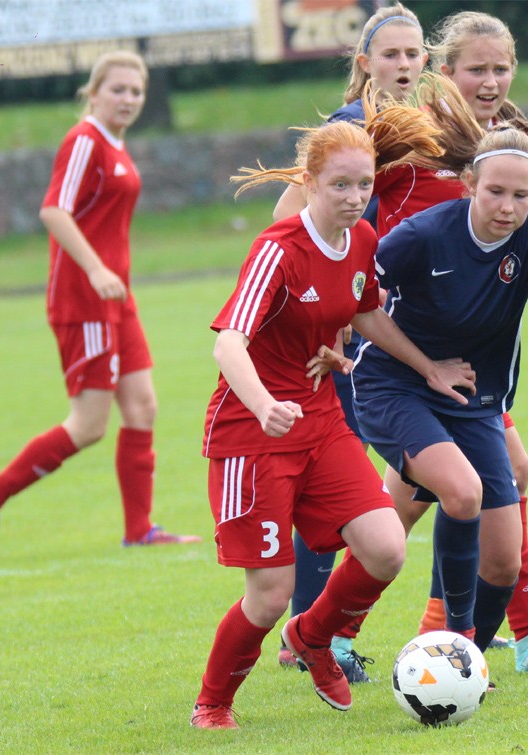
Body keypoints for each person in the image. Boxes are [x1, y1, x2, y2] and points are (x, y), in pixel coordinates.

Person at [190, 112, 477, 730]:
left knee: (386, 548)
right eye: (340, 185)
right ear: (310, 182)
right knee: (269, 594)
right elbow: (228, 343)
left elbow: (366, 312)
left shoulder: (362, 240)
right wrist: (264, 404)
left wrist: (428, 368)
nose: (354, 198)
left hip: (320, 422)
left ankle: (313, 636)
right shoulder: (277, 249)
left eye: (364, 185)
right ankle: (212, 703)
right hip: (253, 437)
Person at [379, 10, 528, 673]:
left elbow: (526, 225)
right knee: (456, 488)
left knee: (436, 494)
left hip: (475, 357)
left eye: (501, 68)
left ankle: (393, 627)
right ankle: (336, 624)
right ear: (444, 71)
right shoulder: (413, 135)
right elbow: (354, 207)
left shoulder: (513, 139)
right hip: (405, 346)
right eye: (476, 68)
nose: (490, 80)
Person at [351, 127, 528, 662]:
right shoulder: (423, 233)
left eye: (521, 195)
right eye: (495, 191)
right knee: (461, 493)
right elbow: (356, 296)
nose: (507, 207)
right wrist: (425, 366)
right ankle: (446, 646)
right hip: (395, 386)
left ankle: (457, 661)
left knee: (502, 563)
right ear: (470, 183)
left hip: (473, 398)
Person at [0, 51, 200, 559]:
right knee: (89, 424)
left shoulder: (114, 143)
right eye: (118, 90)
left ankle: (140, 529)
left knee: (143, 406)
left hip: (116, 298)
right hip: (84, 299)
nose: (128, 99)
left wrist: (112, 277)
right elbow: (54, 211)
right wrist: (95, 269)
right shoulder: (85, 139)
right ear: (93, 94)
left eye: (136, 91)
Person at [270, 3, 430, 683]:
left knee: (385, 476)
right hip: (341, 338)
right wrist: (324, 303)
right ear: (365, 62)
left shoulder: (418, 125)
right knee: (339, 480)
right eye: (390, 54)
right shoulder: (350, 127)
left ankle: (320, 630)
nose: (403, 64)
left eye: (413, 54)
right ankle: (309, 633)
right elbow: (286, 220)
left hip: (380, 324)